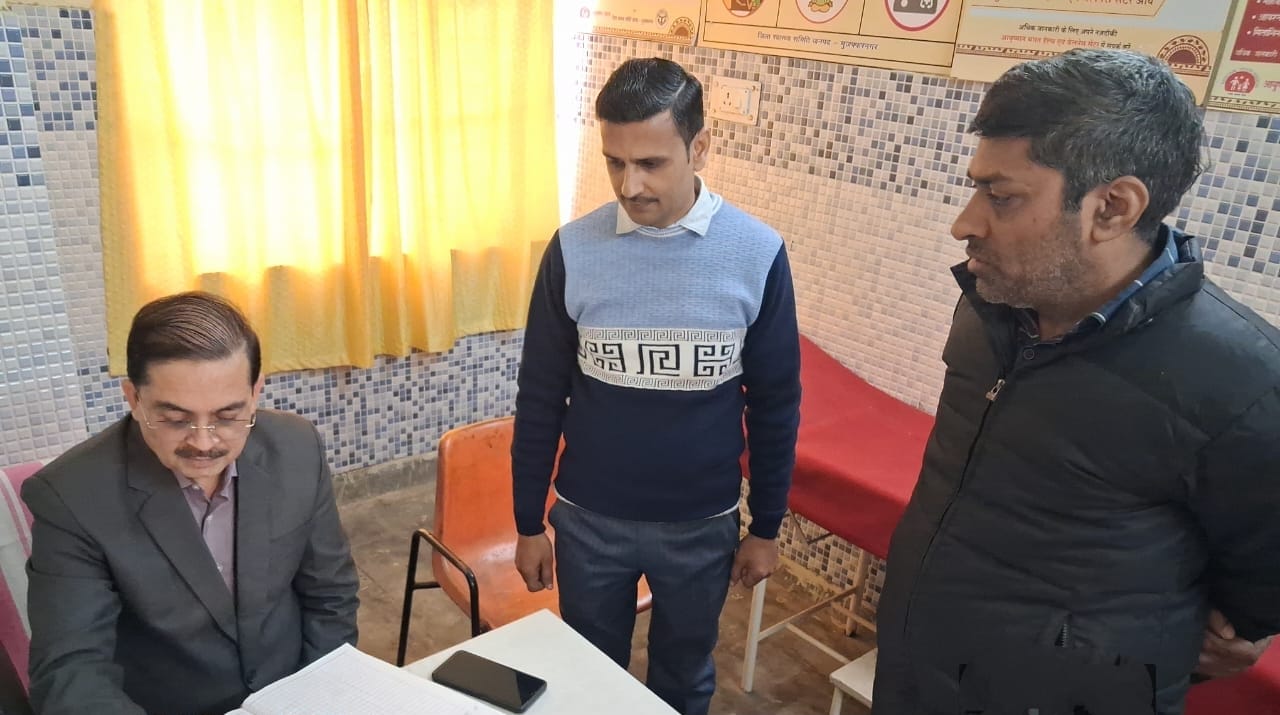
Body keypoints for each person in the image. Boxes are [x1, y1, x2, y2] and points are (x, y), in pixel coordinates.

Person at [872, 49, 1280, 715]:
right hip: (918, 669)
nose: (965, 223)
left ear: (1112, 207)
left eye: (1002, 196)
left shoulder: (1242, 382)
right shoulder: (991, 304)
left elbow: (1262, 585)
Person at [510, 57, 801, 715]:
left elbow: (777, 403)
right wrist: (528, 521)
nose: (629, 184)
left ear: (700, 148)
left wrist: (766, 525)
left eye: (650, 163)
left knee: (685, 679)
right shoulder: (574, 250)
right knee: (589, 680)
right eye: (614, 162)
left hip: (701, 524)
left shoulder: (756, 253)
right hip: (588, 521)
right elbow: (540, 396)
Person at [24, 292, 360, 715]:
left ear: (255, 392)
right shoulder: (71, 496)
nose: (203, 443)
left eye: (227, 415)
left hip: (293, 691)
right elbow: (71, 670)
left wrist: (317, 696)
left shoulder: (296, 446)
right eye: (175, 419)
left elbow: (330, 594)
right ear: (133, 399)